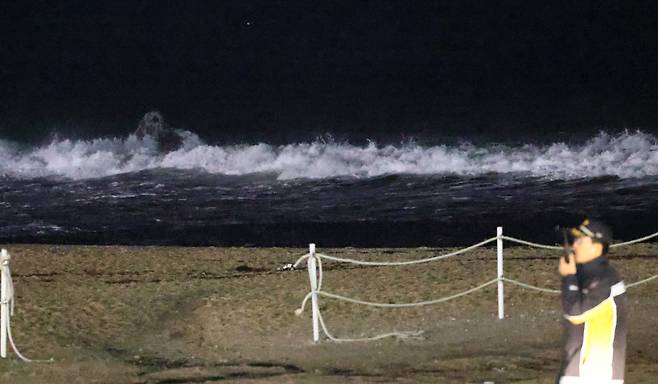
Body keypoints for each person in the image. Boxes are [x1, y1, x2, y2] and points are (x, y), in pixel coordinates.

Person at [557, 219, 626, 384]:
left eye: (581, 241)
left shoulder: (605, 278)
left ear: (597, 246)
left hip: (595, 373)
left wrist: (569, 278)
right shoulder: (591, 276)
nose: (575, 246)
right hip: (578, 368)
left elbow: (575, 314)